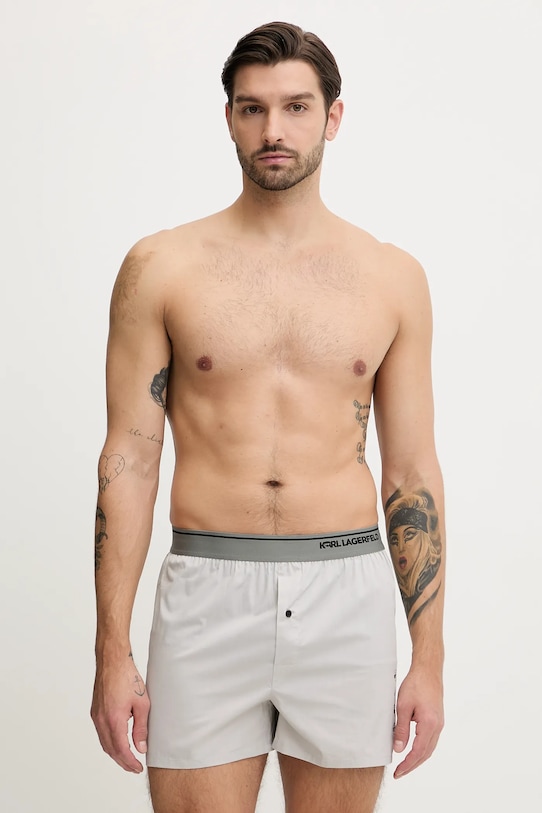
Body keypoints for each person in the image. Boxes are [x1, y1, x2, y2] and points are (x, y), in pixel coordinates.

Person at [91, 20, 445, 813]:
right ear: (229, 118)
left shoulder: (391, 277)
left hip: (345, 591)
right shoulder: (161, 267)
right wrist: (112, 650)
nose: (273, 130)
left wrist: (429, 657)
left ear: (333, 116)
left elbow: (411, 473)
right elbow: (129, 460)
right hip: (207, 589)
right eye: (252, 108)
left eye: (295, 107)